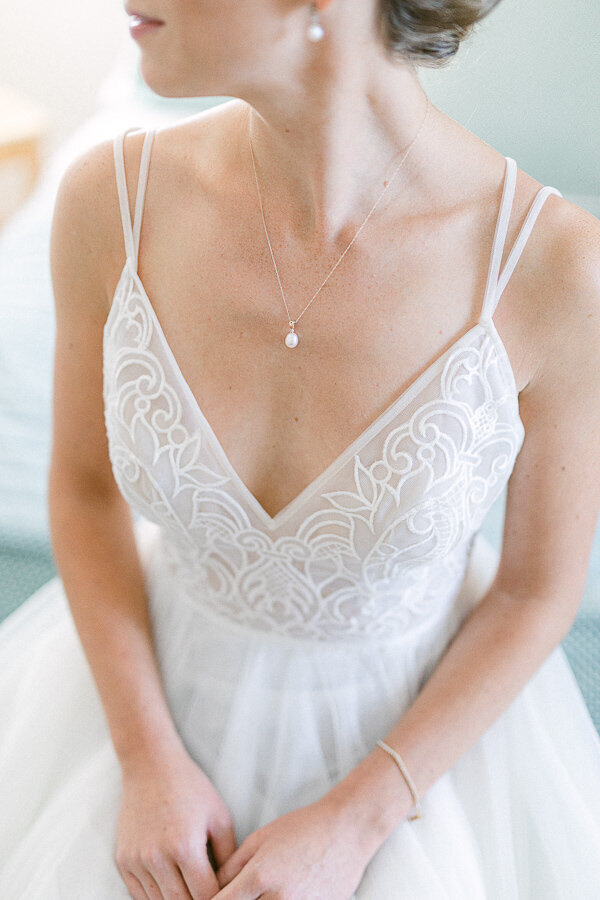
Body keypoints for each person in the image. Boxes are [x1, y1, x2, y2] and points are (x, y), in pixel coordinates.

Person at [1, 0, 600, 897]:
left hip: (413, 761)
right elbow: (85, 492)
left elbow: (535, 588)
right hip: (142, 711)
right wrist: (147, 761)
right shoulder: (109, 201)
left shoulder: (554, 268)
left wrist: (359, 819)